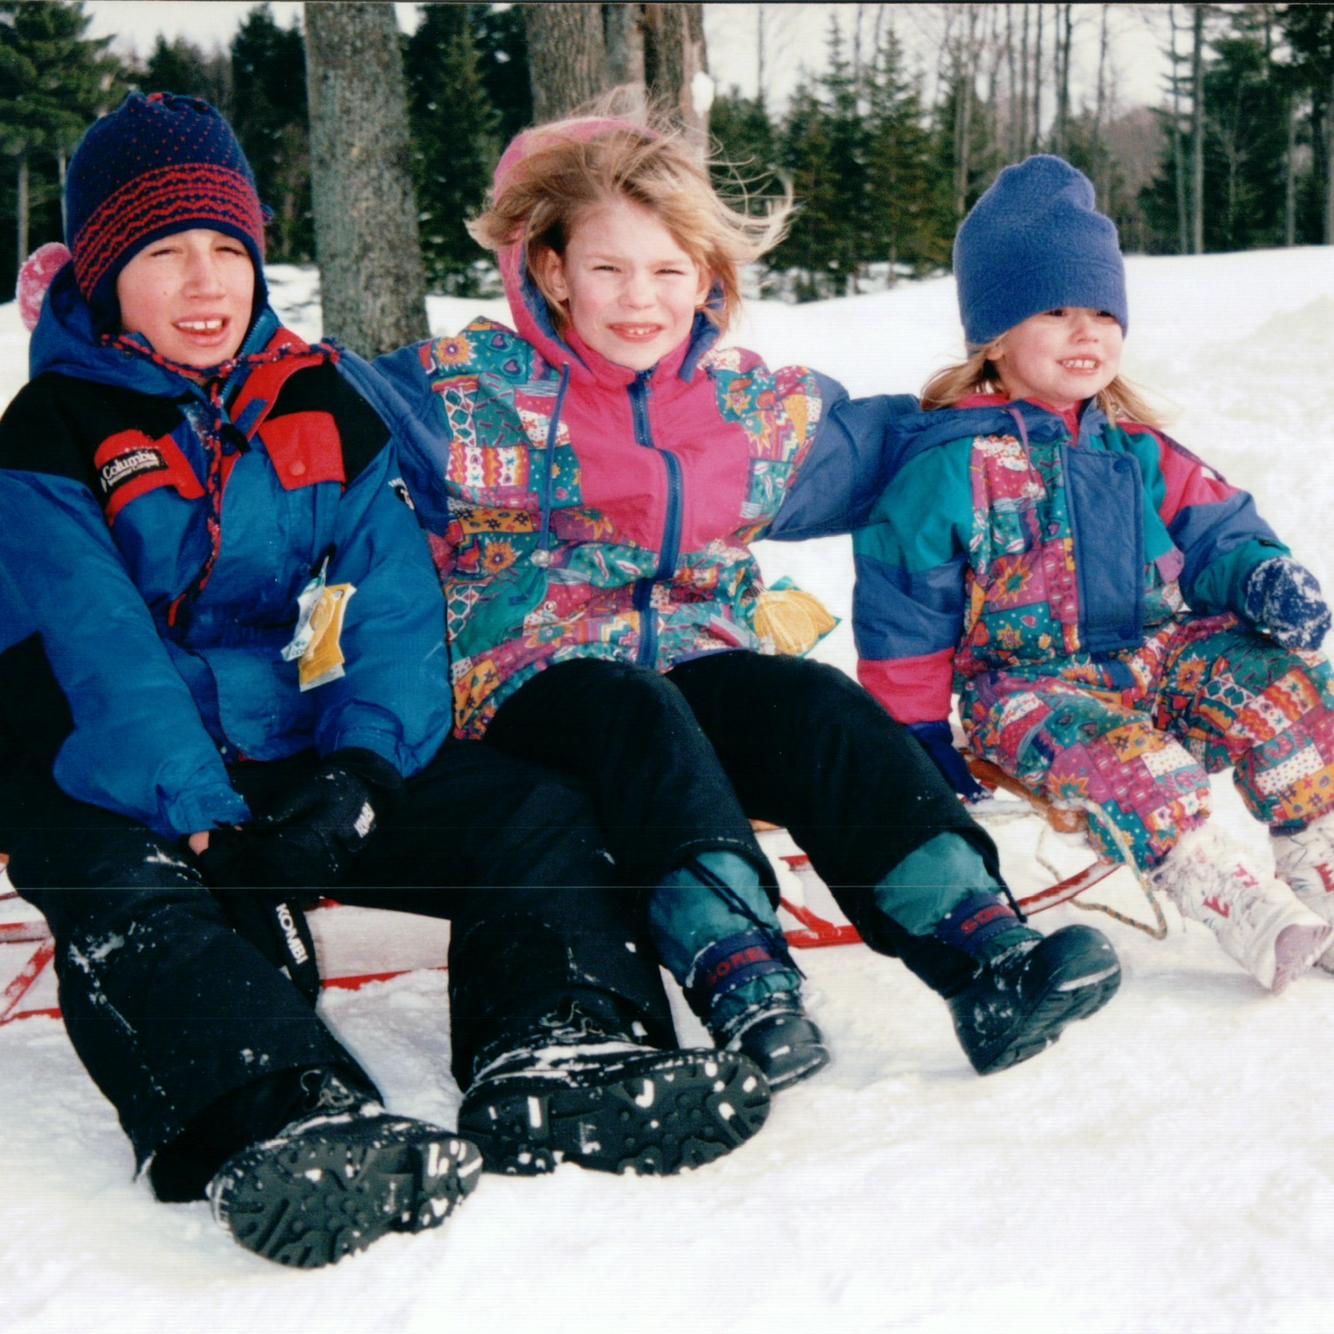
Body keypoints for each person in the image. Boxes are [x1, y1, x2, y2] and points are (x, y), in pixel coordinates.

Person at [0, 93, 771, 1271]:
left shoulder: (319, 398)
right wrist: (207, 819)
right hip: (103, 761)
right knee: (118, 886)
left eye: (228, 249)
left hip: (295, 744)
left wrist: (358, 776)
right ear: (104, 274)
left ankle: (560, 1044)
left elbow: (393, 604)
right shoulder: (49, 427)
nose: (207, 282)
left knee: (530, 809)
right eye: (165, 252)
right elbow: (97, 647)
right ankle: (278, 1112)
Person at [376, 113, 1123, 1092]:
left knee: (804, 699)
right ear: (548, 270)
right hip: (529, 678)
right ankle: (741, 977)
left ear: (706, 274)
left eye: (667, 268)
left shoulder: (741, 408)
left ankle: (982, 948)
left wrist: (1019, 405)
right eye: (608, 269)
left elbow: (895, 448)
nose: (640, 298)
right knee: (633, 706)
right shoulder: (459, 394)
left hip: (695, 658)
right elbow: (312, 422)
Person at [853, 153, 1334, 995]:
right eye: (1058, 310)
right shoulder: (948, 465)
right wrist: (914, 731)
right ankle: (1225, 889)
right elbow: (904, 607)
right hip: (1029, 689)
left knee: (1286, 682)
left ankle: (1317, 858)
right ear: (994, 336)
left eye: (1103, 310)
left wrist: (1259, 578)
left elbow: (1217, 527)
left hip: (1150, 658)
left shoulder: (1132, 444)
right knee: (1130, 760)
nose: (1089, 332)